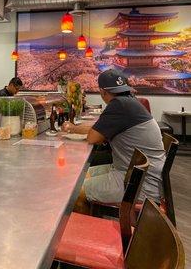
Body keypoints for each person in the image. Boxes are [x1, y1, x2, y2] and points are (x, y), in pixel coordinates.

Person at [62, 69, 165, 214]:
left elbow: (93, 137)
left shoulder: (118, 105)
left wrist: (71, 128)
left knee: (75, 191)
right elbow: (98, 129)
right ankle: (94, 215)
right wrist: (74, 128)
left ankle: (89, 230)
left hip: (139, 184)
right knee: (79, 174)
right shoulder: (129, 101)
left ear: (102, 92)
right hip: (139, 174)